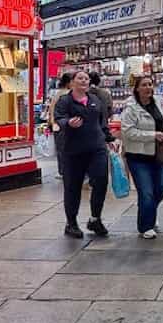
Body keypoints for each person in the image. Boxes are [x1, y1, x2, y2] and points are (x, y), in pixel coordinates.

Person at [54, 70, 111, 239]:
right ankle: (71, 223)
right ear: (72, 82)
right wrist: (68, 122)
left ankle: (95, 219)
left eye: (86, 78)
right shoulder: (65, 101)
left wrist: (109, 138)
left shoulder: (95, 100)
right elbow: (59, 118)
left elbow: (103, 122)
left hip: (97, 148)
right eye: (80, 78)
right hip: (73, 150)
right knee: (73, 187)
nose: (84, 81)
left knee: (101, 181)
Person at [120, 74, 163, 239]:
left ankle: (150, 211)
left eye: (150, 84)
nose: (148, 88)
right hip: (138, 156)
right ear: (136, 88)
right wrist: (152, 135)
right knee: (146, 192)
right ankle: (145, 226)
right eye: (144, 85)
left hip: (158, 154)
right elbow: (127, 132)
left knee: (162, 188)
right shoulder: (131, 108)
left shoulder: (158, 103)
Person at [45, 72, 72, 179]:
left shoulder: (58, 94)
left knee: (61, 149)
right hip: (65, 125)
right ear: (68, 82)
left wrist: (52, 123)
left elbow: (51, 109)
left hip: (59, 125)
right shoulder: (67, 94)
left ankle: (63, 171)